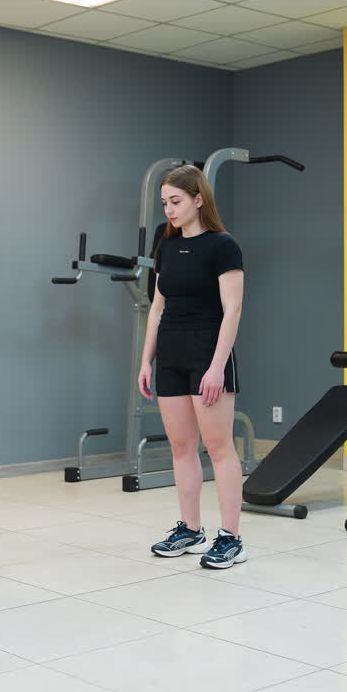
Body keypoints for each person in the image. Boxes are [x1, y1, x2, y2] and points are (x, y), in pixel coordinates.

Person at [138, 165, 247, 569]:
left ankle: (232, 537)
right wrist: (146, 360)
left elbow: (232, 309)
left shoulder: (223, 246)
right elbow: (157, 309)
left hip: (208, 356)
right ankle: (190, 528)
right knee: (182, 448)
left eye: (176, 201)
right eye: (165, 203)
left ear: (198, 199)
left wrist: (217, 367)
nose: (168, 209)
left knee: (218, 449)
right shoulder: (165, 246)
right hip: (171, 356)